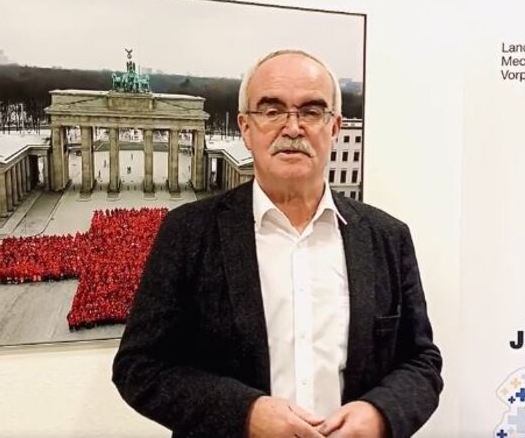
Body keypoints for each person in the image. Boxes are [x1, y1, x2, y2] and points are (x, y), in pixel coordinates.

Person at [112, 49, 442, 438]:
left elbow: (421, 362)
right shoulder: (188, 232)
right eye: (271, 111)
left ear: (335, 127)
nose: (292, 127)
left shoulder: (387, 236)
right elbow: (140, 366)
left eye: (312, 111)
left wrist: (380, 414)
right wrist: (245, 413)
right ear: (245, 128)